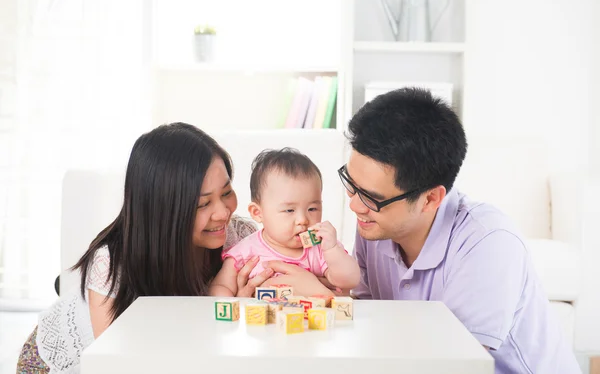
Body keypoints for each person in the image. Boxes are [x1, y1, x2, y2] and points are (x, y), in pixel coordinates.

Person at [17, 123, 331, 374]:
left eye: (227, 192)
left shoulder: (243, 238)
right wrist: (227, 311)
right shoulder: (114, 263)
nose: (223, 212)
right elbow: (120, 364)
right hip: (69, 363)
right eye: (203, 204)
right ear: (165, 210)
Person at [344, 88, 581, 374]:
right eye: (350, 183)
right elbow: (369, 325)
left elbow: (454, 367)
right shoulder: (375, 223)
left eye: (371, 197)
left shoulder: (488, 243)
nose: (355, 205)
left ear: (431, 198)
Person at [210, 148, 360, 297]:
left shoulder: (321, 249)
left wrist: (332, 248)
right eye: (289, 211)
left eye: (312, 208)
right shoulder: (245, 251)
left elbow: (349, 281)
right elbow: (221, 286)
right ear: (258, 213)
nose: (303, 220)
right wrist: (233, 306)